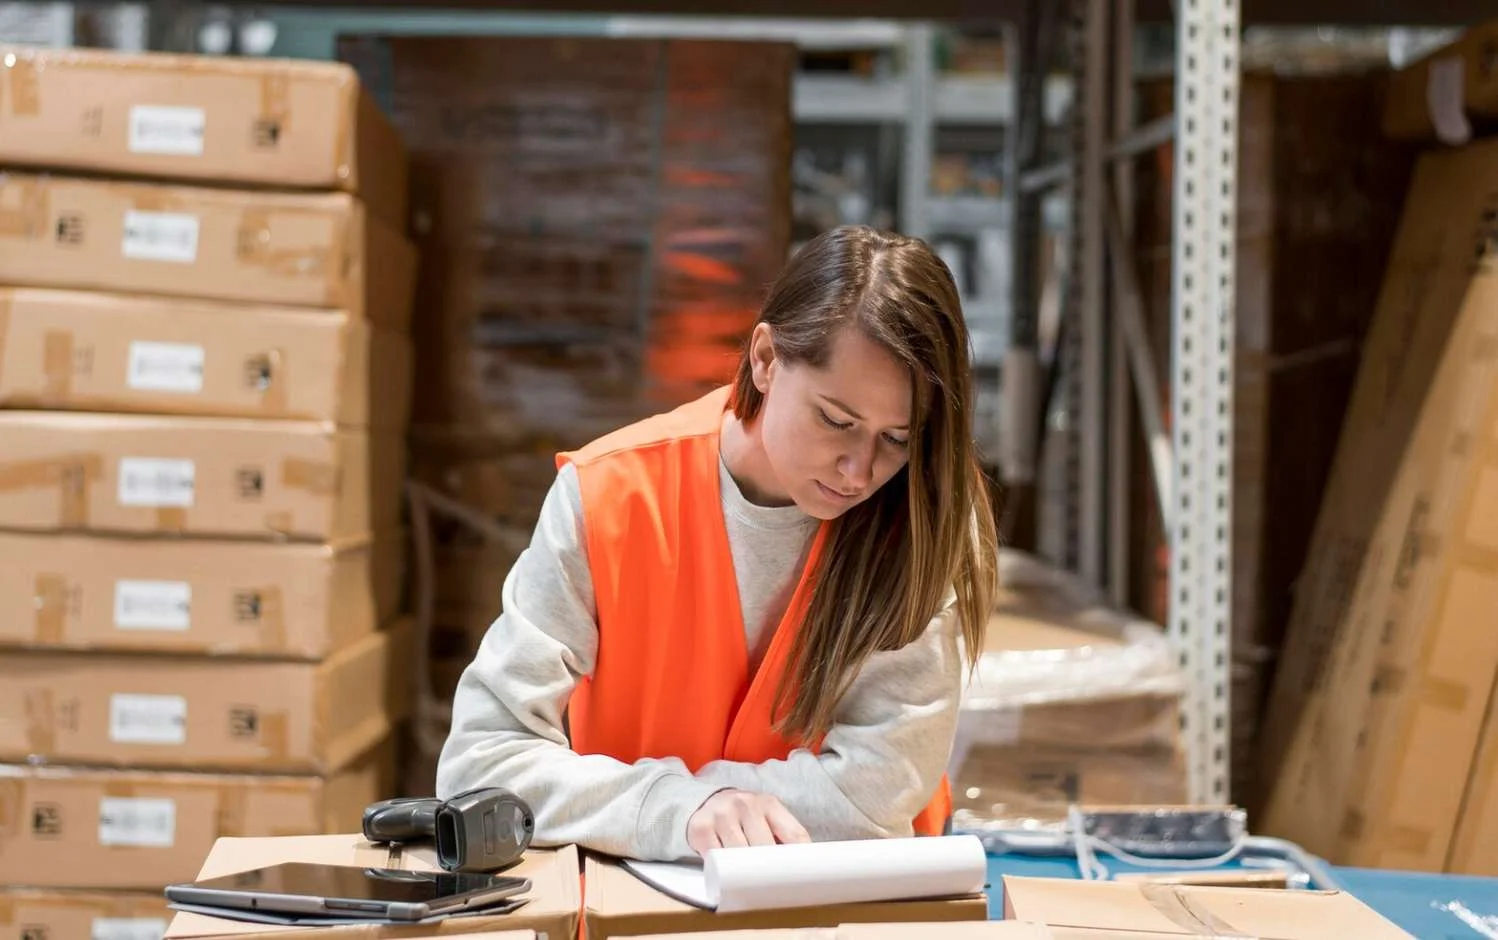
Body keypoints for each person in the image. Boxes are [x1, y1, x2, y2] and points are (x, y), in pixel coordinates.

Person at [436, 224, 1000, 862]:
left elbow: (874, 796)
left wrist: (630, 805)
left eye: (896, 438)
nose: (859, 470)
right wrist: (678, 810)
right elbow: (480, 764)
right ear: (764, 359)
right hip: (640, 914)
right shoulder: (609, 497)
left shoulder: (923, 523)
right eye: (836, 421)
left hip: (848, 915)